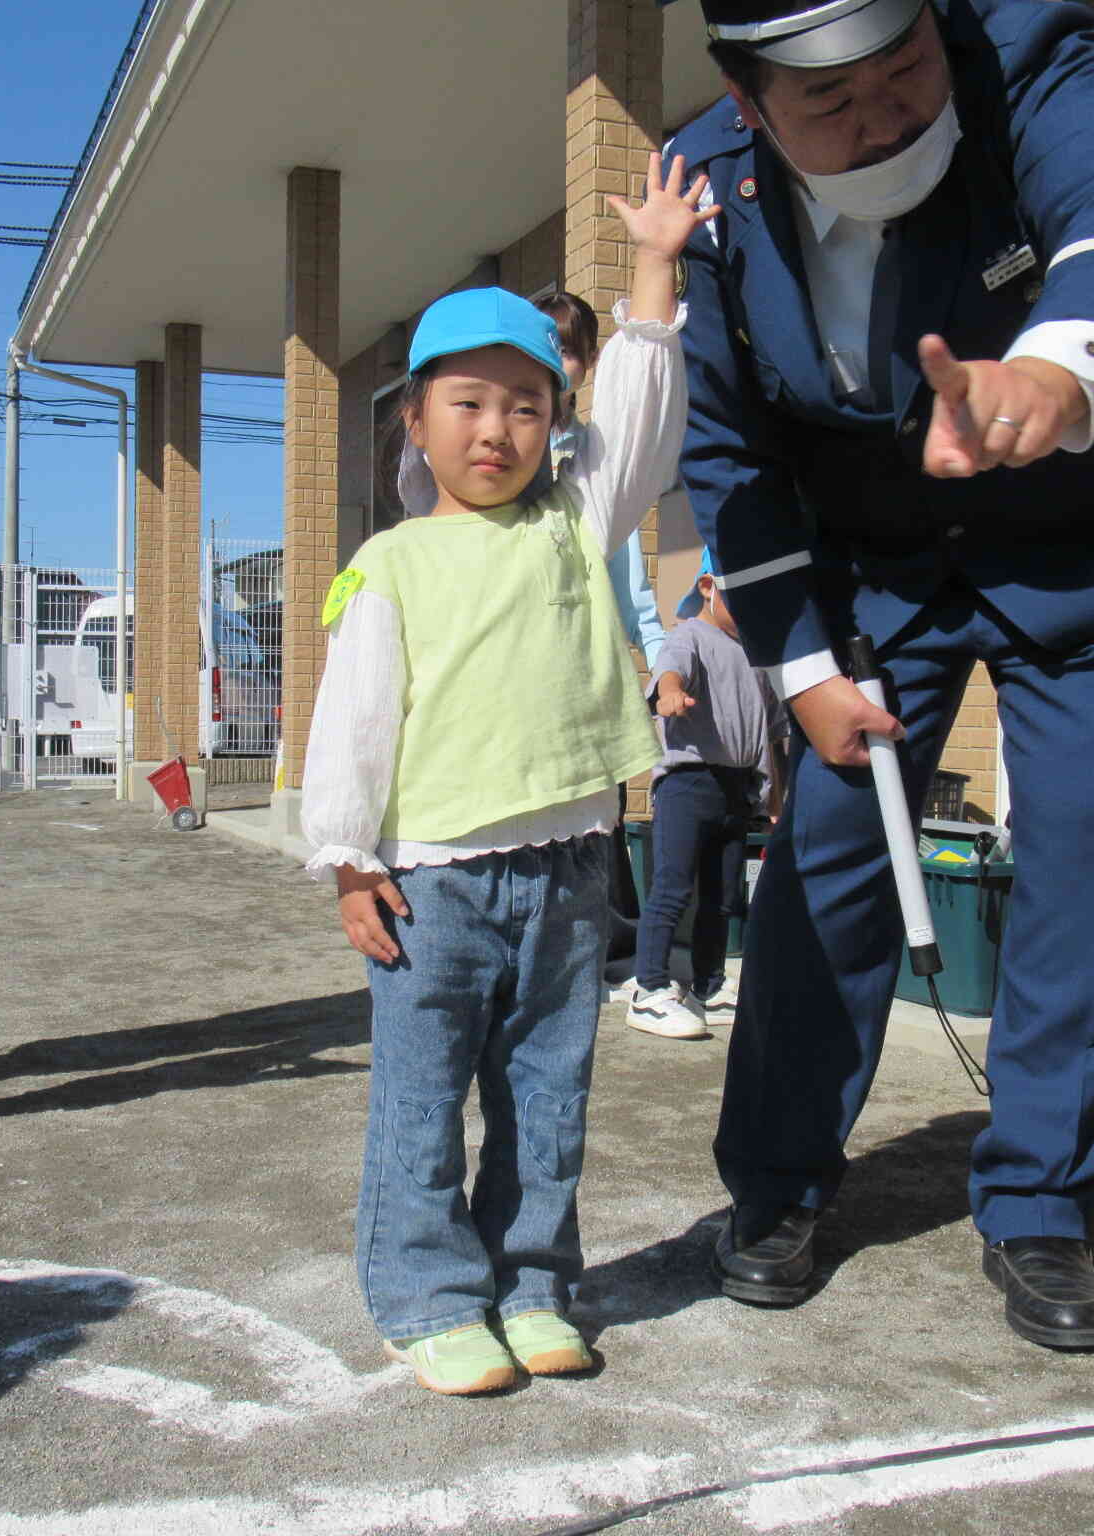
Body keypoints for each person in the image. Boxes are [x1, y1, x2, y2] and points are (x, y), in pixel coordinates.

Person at [673, 0, 1094, 1349]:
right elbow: (729, 462)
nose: (886, 115)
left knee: (1083, 868)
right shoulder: (709, 201)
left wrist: (1059, 363)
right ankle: (780, 1182)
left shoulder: (1020, 47)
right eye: (831, 101)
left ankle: (1041, 1207)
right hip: (877, 568)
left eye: (904, 70)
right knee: (830, 864)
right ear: (749, 107)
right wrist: (799, 668)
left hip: (1092, 535)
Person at [302, 153, 709, 1396]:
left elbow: (637, 424)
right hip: (432, 886)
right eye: (469, 404)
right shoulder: (395, 563)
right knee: (421, 1110)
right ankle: (426, 1296)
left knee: (547, 1100)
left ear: (556, 421)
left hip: (573, 870)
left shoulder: (574, 521)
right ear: (415, 420)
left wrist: (652, 272)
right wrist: (346, 859)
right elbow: (354, 724)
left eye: (527, 406)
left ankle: (533, 1285)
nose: (498, 430)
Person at [539, 290, 669, 960]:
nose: (560, 364)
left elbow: (627, 574)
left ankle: (607, 943)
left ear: (589, 360)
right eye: (550, 345)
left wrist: (659, 654)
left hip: (587, 664)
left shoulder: (591, 454)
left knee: (598, 815)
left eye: (571, 350)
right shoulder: (510, 444)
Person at [627, 550, 785, 1041]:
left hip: (737, 789)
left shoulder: (758, 656)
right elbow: (668, 672)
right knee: (673, 888)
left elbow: (773, 736)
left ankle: (709, 985)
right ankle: (649, 988)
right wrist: (669, 693)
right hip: (688, 783)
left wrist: (777, 801)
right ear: (708, 587)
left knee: (722, 897)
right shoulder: (690, 635)